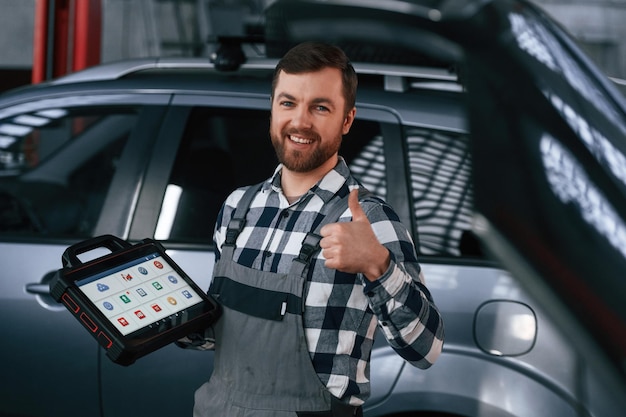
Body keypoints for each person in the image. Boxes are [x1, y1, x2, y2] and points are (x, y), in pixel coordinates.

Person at [187, 41, 444, 417]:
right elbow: (226, 336)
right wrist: (174, 322)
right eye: (288, 103)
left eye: (320, 107)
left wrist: (378, 265)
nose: (300, 122)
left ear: (347, 119)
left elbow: (427, 349)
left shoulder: (369, 220)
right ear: (272, 109)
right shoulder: (237, 208)